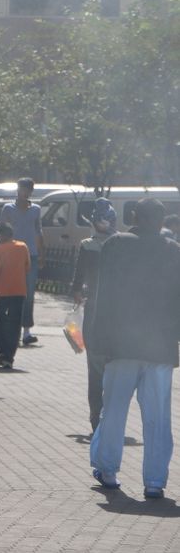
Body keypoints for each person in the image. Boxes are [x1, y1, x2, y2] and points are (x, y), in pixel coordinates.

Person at [89, 198, 180, 498]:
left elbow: (105, 295)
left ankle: (109, 470)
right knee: (158, 416)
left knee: (114, 410)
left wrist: (100, 339)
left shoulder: (116, 244)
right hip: (160, 347)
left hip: (122, 343)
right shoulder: (173, 251)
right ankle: (154, 481)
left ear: (134, 217)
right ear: (162, 220)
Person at [71, 197, 117, 432]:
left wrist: (77, 291)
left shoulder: (90, 244)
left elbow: (78, 276)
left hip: (98, 312)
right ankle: (102, 415)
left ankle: (98, 415)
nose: (103, 222)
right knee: (107, 368)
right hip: (112, 313)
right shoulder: (120, 244)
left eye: (106, 218)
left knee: (97, 368)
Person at [0, 177, 44, 346]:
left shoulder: (36, 210)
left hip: (30, 255)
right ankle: (11, 328)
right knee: (12, 292)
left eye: (27, 190)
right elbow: (1, 231)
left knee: (29, 294)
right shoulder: (8, 209)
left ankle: (26, 331)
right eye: (22, 189)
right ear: (17, 190)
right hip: (12, 256)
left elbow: (39, 232)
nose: (24, 193)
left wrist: (42, 254)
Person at [0, 222, 30, 369]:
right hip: (19, 291)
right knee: (15, 325)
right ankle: (9, 357)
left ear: (0, 235)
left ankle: (0, 353)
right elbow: (28, 267)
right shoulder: (23, 247)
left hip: (2, 292)